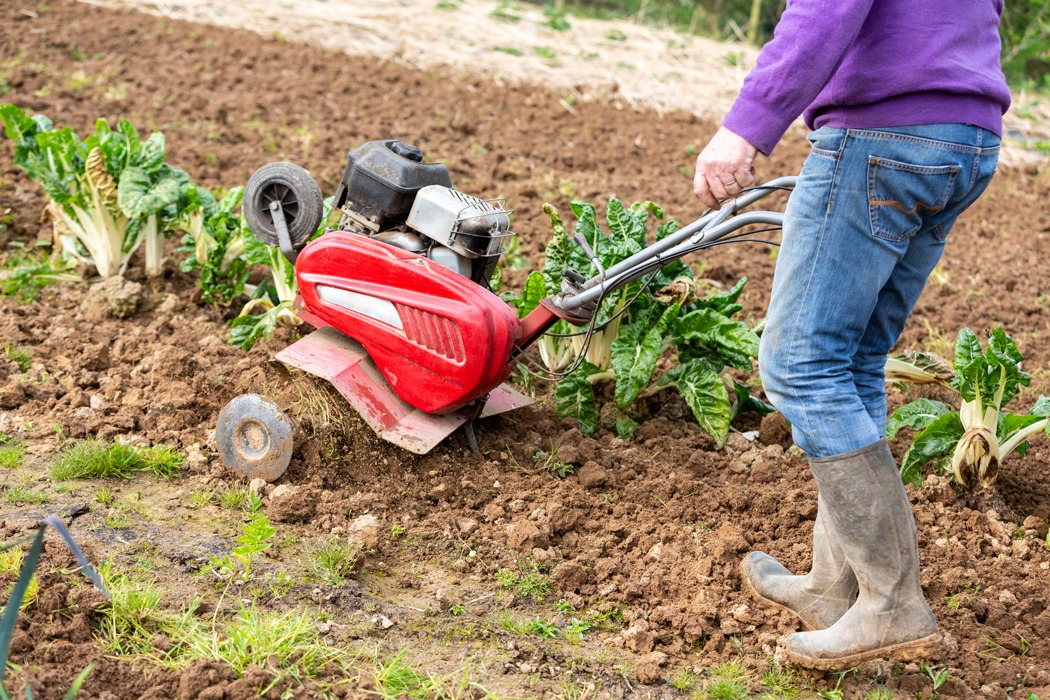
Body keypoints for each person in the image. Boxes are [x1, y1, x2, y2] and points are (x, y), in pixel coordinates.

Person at [691, 0, 1009, 671]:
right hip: (964, 133)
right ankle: (838, 587)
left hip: (885, 134)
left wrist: (746, 128)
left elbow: (827, 6)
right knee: (853, 360)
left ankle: (891, 603)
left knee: (800, 366)